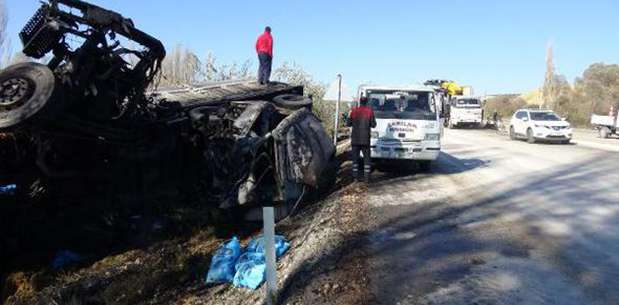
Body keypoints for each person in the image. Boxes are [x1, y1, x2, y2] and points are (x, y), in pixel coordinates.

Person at [347, 96, 377, 183]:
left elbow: (348, 124)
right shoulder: (370, 111)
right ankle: (367, 178)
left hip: (355, 139)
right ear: (367, 102)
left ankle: (355, 178)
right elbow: (373, 125)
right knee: (367, 159)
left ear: (360, 102)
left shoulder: (354, 111)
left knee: (355, 159)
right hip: (365, 140)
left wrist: (349, 116)